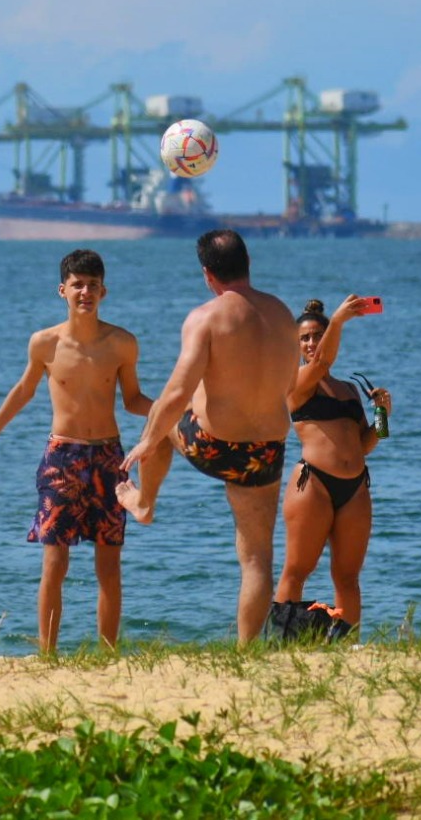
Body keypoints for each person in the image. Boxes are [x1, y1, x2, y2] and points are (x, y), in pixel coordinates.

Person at [0, 249, 151, 652]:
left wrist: (177, 411)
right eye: (78, 285)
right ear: (62, 290)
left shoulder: (121, 343)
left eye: (93, 285)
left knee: (109, 565)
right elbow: (23, 391)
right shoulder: (44, 343)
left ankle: (108, 653)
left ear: (104, 291)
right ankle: (47, 654)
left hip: (108, 458)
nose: (86, 292)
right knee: (55, 563)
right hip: (61, 458)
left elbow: (133, 400)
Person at [116, 229, 300, 643]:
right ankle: (247, 651)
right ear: (248, 264)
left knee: (162, 417)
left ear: (207, 275)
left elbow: (178, 390)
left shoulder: (206, 317)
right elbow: (290, 384)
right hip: (267, 450)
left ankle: (144, 503)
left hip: (213, 445)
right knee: (256, 558)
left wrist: (149, 439)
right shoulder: (283, 315)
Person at [271, 297, 390, 642]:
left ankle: (346, 645)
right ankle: (281, 643)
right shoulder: (295, 382)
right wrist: (336, 321)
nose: (312, 343)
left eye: (317, 335)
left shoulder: (349, 389)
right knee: (297, 570)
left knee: (348, 576)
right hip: (314, 483)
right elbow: (323, 360)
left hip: (355, 486)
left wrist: (383, 412)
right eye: (305, 338)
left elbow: (369, 441)